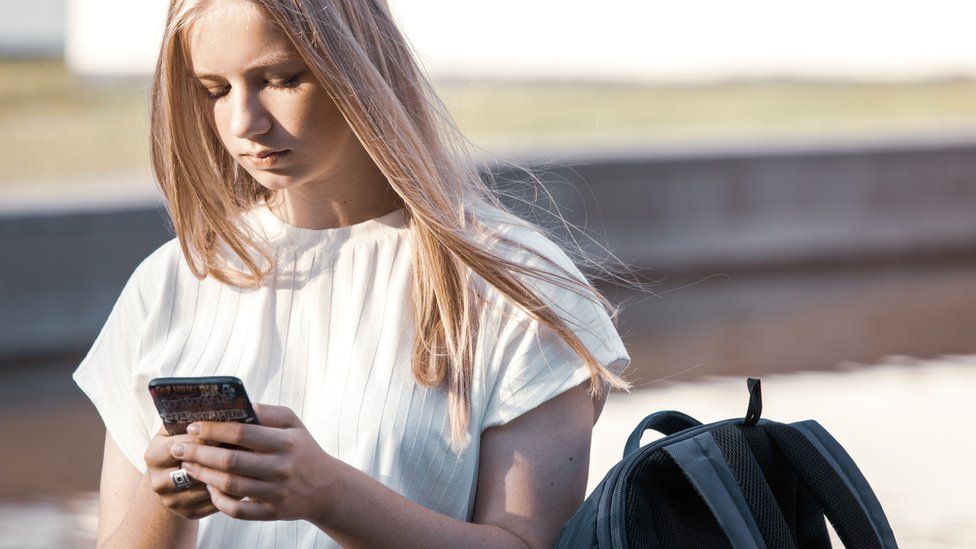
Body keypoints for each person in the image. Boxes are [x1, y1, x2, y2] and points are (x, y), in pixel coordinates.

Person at [71, 0, 637, 547]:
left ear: (359, 67)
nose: (244, 121)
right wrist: (167, 497)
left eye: (281, 79)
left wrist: (328, 495)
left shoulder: (513, 285)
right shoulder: (171, 281)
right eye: (216, 90)